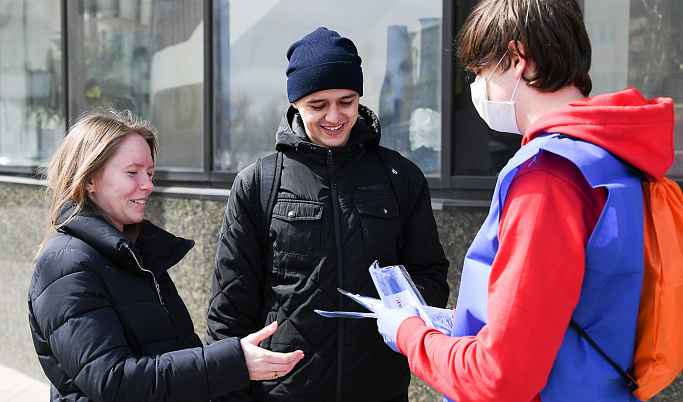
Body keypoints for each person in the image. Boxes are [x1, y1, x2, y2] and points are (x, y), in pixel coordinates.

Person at [375, 0, 675, 401]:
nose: (477, 88)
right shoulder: (615, 160)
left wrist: (409, 333)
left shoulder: (548, 175)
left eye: (478, 73)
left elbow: (501, 377)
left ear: (517, 58)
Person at [207, 27, 450, 401]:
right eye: (318, 105)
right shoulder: (258, 182)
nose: (334, 116)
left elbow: (430, 273)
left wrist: (403, 313)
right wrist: (229, 389)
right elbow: (229, 307)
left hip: (378, 389)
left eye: (347, 101)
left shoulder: (400, 177)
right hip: (283, 390)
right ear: (296, 105)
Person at [28, 110, 304, 401]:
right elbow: (114, 381)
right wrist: (233, 362)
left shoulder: (133, 253)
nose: (147, 185)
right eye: (132, 172)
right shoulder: (65, 264)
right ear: (89, 179)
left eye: (149, 173)